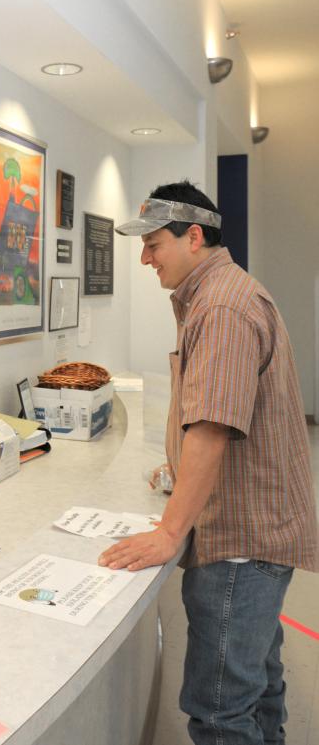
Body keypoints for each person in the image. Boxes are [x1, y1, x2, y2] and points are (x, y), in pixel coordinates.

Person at [99, 180, 318, 745]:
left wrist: (170, 532)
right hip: (260, 526)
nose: (145, 258)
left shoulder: (220, 307)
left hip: (239, 543)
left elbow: (214, 429)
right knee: (259, 685)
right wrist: (178, 467)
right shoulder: (221, 294)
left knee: (220, 710)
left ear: (193, 236)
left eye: (154, 244)